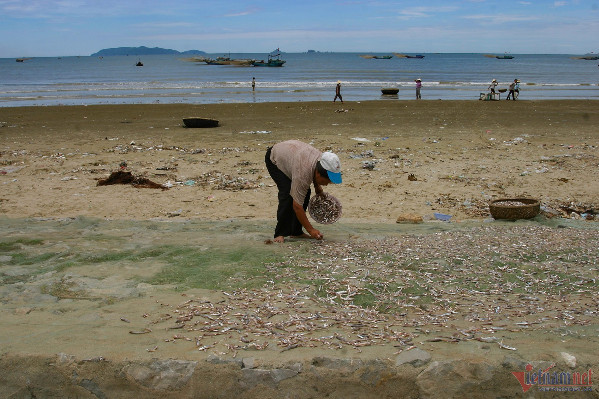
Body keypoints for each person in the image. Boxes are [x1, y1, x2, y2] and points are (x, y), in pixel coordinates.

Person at [265, 140, 342, 243]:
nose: (327, 184)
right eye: (327, 181)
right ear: (319, 174)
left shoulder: (322, 160)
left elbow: (314, 170)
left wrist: (318, 188)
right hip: (275, 158)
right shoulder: (303, 173)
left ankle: (296, 232)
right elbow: (297, 206)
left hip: (293, 157)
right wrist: (311, 230)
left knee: (304, 193)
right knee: (288, 194)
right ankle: (280, 233)